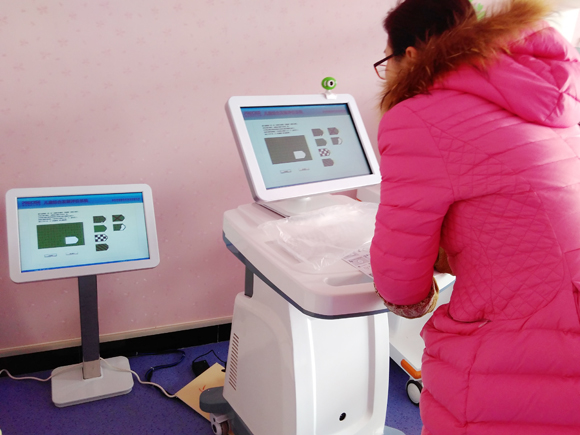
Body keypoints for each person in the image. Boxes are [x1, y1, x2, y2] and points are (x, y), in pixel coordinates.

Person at [369, 0, 580, 433]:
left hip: (533, 322)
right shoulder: (537, 93)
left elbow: (400, 281)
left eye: (387, 60)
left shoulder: (418, 116)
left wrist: (416, 296)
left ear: (411, 55)